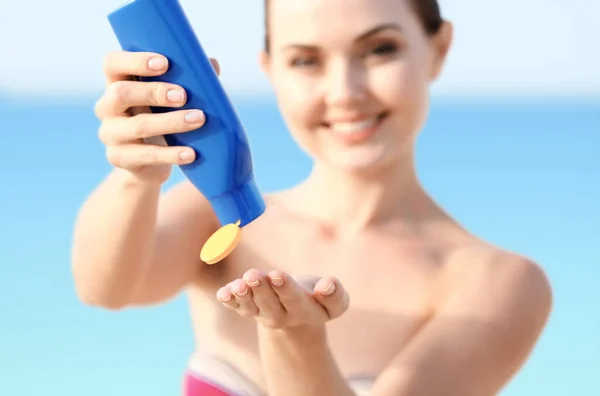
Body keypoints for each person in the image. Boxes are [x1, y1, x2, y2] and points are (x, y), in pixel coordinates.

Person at [71, 0, 553, 395]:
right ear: (270, 69)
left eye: (380, 49)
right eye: (305, 60)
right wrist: (137, 175)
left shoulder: (496, 284)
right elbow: (106, 290)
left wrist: (295, 337)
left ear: (439, 47)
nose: (344, 92)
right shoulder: (210, 214)